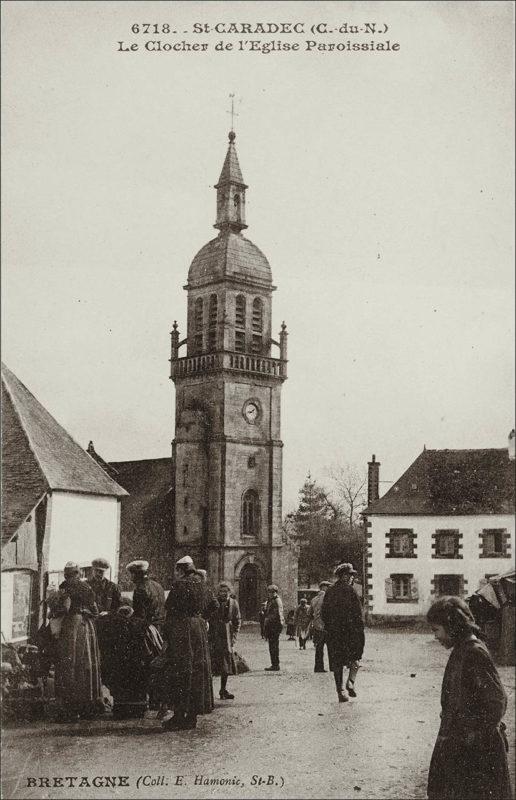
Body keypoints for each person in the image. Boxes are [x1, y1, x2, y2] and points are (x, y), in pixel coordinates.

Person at [426, 596, 512, 800]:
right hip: (462, 744)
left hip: (476, 751)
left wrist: (470, 734)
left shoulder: (474, 653)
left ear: (452, 626)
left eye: (436, 630)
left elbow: (497, 702)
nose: (436, 637)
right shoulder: (462, 650)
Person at [162, 555, 214, 731]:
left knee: (181, 669)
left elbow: (169, 608)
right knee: (197, 670)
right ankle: (192, 717)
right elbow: (213, 605)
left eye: (177, 570)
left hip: (182, 629)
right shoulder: (203, 584)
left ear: (181, 570)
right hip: (198, 629)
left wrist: (167, 634)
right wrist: (202, 619)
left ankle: (178, 716)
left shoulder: (180, 585)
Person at [54, 562, 102, 720]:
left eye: (70, 575)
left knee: (71, 663)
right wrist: (84, 611)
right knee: (82, 663)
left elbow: (64, 609)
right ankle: (85, 704)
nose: (69, 577)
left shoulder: (66, 588)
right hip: (82, 627)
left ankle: (71, 706)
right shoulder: (85, 588)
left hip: (72, 627)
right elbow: (95, 611)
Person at [96, 597, 149, 719]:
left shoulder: (107, 623)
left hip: (117, 664)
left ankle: (123, 708)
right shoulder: (141, 624)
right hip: (136, 665)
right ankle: (137, 708)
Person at [321, 563, 364, 702]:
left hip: (334, 633)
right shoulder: (351, 591)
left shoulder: (330, 591)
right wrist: (359, 630)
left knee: (337, 663)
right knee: (356, 657)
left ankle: (340, 690)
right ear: (345, 576)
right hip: (350, 632)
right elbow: (358, 613)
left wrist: (330, 627)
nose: (352, 578)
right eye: (351, 575)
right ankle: (350, 682)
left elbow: (324, 613)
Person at [208, 582, 241, 700]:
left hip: (227, 636)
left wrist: (233, 639)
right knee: (212, 664)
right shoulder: (214, 602)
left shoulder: (234, 603)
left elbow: (237, 621)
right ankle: (209, 692)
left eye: (225, 591)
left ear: (229, 592)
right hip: (215, 635)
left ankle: (223, 690)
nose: (223, 593)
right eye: (221, 591)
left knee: (225, 665)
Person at [127, 560, 165, 631]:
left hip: (147, 629)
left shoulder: (140, 589)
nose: (130, 577)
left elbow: (139, 615)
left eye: (131, 573)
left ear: (135, 574)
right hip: (160, 627)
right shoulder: (158, 585)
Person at [309, 580, 331, 672]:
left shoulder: (314, 599)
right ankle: (333, 667)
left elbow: (309, 613)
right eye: (328, 587)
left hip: (317, 626)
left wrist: (315, 619)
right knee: (331, 647)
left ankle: (318, 667)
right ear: (324, 587)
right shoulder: (328, 598)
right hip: (326, 626)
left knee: (319, 648)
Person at [263, 584, 285, 671]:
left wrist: (279, 626)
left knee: (274, 646)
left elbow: (278, 614)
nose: (269, 594)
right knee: (272, 646)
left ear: (275, 592)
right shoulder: (271, 600)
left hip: (274, 627)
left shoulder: (277, 600)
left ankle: (275, 665)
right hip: (271, 626)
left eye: (271, 592)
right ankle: (274, 664)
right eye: (269, 592)